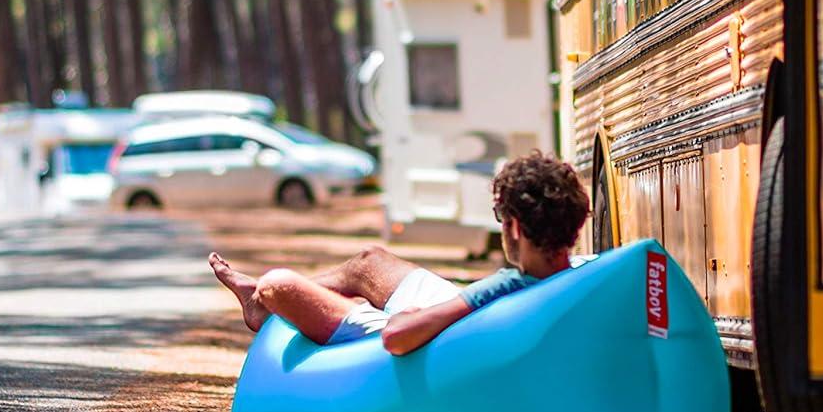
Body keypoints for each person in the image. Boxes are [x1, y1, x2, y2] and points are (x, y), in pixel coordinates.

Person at [210, 151, 591, 356]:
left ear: (515, 229)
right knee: (368, 262)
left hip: (437, 341)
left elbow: (397, 337)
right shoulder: (582, 278)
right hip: (460, 320)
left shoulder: (507, 286)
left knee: (279, 285)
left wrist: (415, 317)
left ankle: (263, 298)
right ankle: (257, 301)